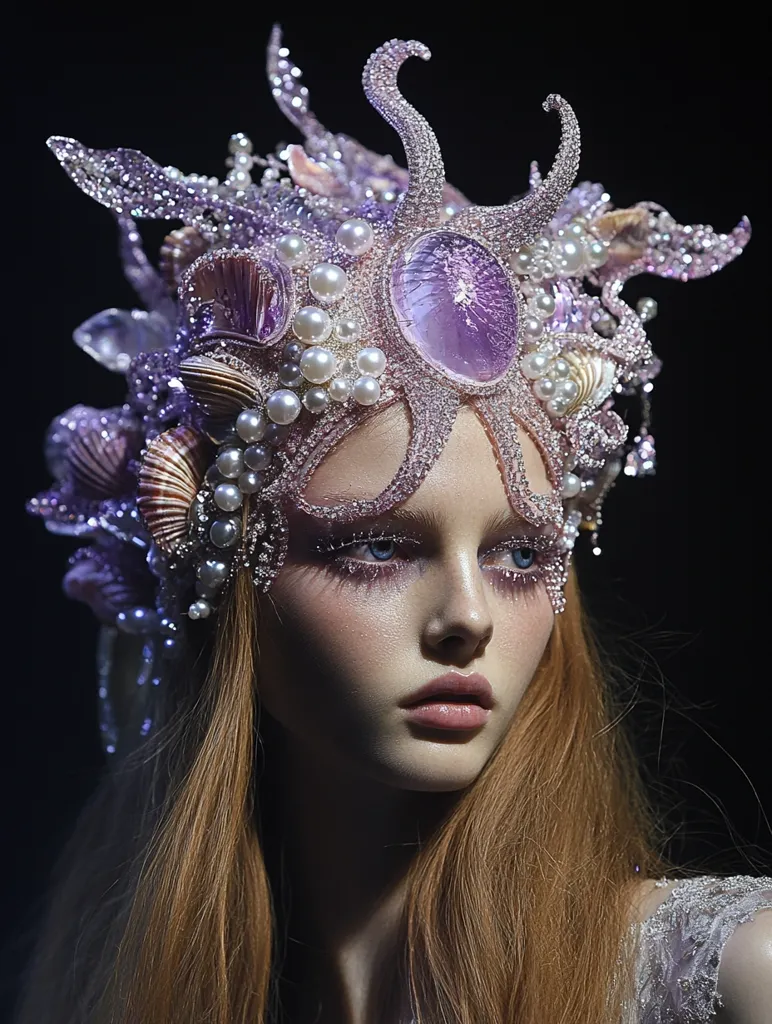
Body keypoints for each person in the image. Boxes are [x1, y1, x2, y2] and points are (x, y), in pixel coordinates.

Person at [16, 26, 771, 1024]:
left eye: (518, 553)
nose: (469, 616)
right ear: (226, 581)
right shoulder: (124, 991)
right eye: (376, 545)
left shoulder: (735, 976)